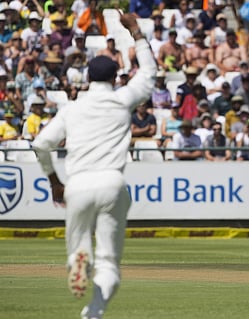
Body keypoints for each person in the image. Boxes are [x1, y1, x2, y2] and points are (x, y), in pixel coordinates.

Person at [31, 14, 156, 319]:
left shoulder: (72, 109)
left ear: (87, 79)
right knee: (109, 263)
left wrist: (53, 181)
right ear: (115, 78)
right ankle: (94, 312)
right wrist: (136, 32)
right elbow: (150, 73)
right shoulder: (122, 99)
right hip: (112, 183)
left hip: (77, 185)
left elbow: (40, 144)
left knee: (78, 251)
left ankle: (79, 262)